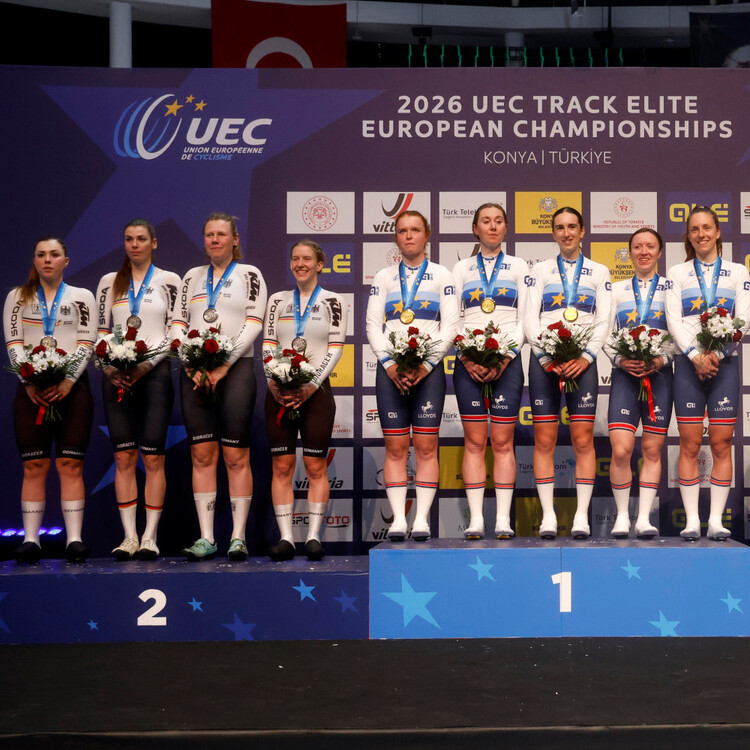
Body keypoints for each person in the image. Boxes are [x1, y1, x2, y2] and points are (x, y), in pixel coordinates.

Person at [171, 212, 267, 560]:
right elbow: (178, 323)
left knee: (235, 455)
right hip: (195, 371)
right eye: (209, 234)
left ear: (235, 239)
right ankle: (207, 537)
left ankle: (238, 537)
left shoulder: (250, 274)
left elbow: (254, 323)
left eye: (221, 234)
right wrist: (190, 362)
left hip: (235, 369)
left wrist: (225, 363)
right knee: (201, 454)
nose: (214, 240)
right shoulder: (191, 277)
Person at [366, 210, 460, 541]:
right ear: (396, 237)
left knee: (425, 446)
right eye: (403, 230)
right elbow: (372, 325)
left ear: (427, 235)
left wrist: (426, 365)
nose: (409, 236)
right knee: (395, 447)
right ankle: (397, 521)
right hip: (390, 371)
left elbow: (450, 326)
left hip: (428, 372)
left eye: (415, 230)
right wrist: (389, 364)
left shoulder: (442, 275)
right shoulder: (383, 277)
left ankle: (421, 519)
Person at [3, 237, 96, 563]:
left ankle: (74, 540)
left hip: (73, 390)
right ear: (34, 260)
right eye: (41, 254)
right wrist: (28, 381)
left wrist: (68, 380)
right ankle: (31, 540)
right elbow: (14, 343)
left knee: (70, 464)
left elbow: (86, 342)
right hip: (31, 390)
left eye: (54, 255)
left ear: (65, 261)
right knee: (34, 465)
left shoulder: (82, 297)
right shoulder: (17, 297)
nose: (47, 260)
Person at [95, 219, 180, 560]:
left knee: (153, 457)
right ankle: (129, 536)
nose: (134, 244)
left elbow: (175, 331)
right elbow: (100, 331)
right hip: (116, 377)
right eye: (129, 239)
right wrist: (109, 367)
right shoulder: (109, 282)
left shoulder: (170, 280)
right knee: (123, 456)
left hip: (155, 376)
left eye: (141, 239)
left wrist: (146, 364)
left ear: (153, 243)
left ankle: (150, 536)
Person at [525, 207, 612, 539]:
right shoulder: (540, 270)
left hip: (583, 363)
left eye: (572, 227)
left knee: (583, 439)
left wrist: (587, 357)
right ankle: (548, 516)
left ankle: (580, 517)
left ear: (583, 231)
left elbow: (603, 319)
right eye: (560, 227)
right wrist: (546, 356)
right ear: (553, 233)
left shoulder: (599, 271)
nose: (566, 233)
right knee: (544, 439)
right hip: (544, 363)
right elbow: (530, 318)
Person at [665, 206, 750, 540]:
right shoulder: (677, 272)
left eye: (706, 228)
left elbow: (744, 318)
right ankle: (691, 521)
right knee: (688, 443)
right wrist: (695, 355)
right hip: (688, 366)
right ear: (688, 236)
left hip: (724, 364)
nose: (701, 234)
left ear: (718, 232)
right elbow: (673, 320)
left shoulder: (738, 272)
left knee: (721, 442)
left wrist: (717, 354)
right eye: (694, 229)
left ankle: (715, 520)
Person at [262, 240, 347, 561]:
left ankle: (313, 537)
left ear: (320, 264)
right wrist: (273, 381)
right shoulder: (277, 300)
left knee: (314, 465)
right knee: (282, 465)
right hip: (279, 391)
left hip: (317, 392)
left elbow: (335, 347)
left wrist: (312, 384)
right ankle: (286, 538)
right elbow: (268, 344)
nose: (300, 264)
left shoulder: (334, 301)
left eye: (307, 259)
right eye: (295, 258)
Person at [451, 203, 528, 539]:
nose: (492, 226)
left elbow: (525, 318)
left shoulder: (519, 266)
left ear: (506, 228)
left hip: (507, 363)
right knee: (474, 441)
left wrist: (505, 357)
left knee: (502, 441)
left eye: (498, 221)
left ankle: (503, 520)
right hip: (467, 364)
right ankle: (476, 520)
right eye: (486, 221)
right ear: (475, 229)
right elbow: (452, 318)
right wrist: (467, 358)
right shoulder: (461, 268)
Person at [606, 228, 672, 538]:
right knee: (621, 450)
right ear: (630, 252)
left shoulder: (671, 289)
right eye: (637, 247)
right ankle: (622, 516)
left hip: (660, 376)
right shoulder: (616, 290)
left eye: (650, 246)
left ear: (659, 252)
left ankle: (644, 518)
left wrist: (662, 359)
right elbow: (605, 333)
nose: (644, 252)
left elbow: (679, 331)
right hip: (625, 375)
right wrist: (620, 359)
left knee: (652, 449)